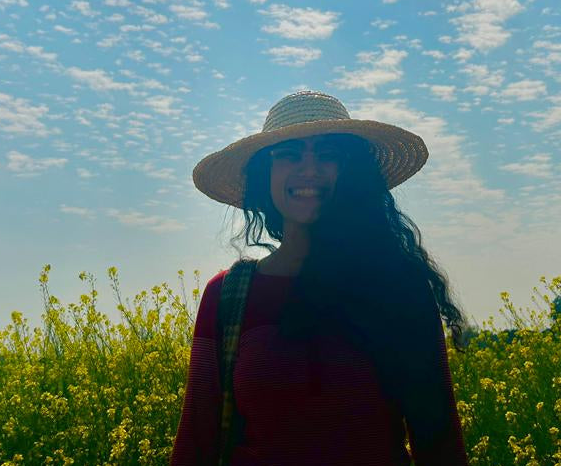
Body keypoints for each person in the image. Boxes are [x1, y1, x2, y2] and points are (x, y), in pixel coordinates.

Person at [170, 89, 471, 465]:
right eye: (290, 154)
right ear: (266, 175)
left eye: (329, 155)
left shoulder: (400, 288)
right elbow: (195, 445)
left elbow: (439, 442)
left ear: (353, 173)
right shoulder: (229, 297)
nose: (309, 169)